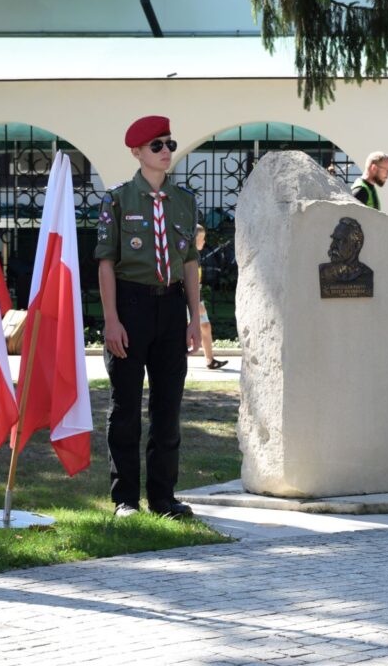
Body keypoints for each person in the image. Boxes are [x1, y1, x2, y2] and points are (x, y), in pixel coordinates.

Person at [95, 114, 201, 520]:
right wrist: (111, 319)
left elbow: (189, 263)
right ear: (137, 152)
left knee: (167, 406)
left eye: (170, 145)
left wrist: (194, 318)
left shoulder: (185, 201)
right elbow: (106, 263)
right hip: (131, 306)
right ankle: (125, 499)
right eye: (157, 146)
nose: (165, 152)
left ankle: (163, 497)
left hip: (171, 307)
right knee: (125, 407)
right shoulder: (119, 200)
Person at [194, 224, 228, 370]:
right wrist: (196, 303)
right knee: (192, 329)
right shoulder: (189, 258)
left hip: (197, 297)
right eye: (202, 239)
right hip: (189, 298)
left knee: (205, 327)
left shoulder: (197, 257)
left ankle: (210, 360)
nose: (204, 242)